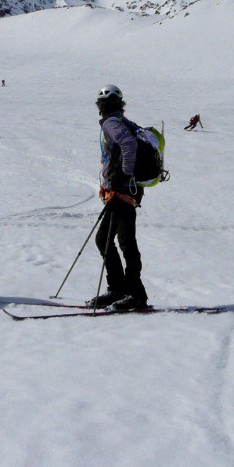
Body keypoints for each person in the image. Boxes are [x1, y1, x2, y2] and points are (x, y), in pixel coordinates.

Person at [88, 84, 149, 311]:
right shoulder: (123, 122)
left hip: (122, 189)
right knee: (111, 240)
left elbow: (128, 144)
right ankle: (120, 289)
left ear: (100, 107)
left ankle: (134, 293)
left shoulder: (112, 124)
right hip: (125, 189)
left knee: (120, 241)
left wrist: (124, 174)